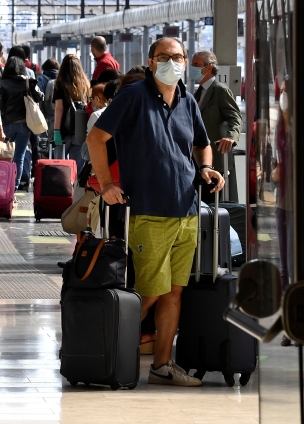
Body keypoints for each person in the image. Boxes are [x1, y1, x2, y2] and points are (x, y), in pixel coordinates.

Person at [86, 36, 224, 387]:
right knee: (149, 292)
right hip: (148, 212)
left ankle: (162, 365)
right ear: (150, 62)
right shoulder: (133, 97)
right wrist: (106, 185)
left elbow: (202, 143)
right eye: (165, 57)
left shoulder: (187, 100)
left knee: (174, 291)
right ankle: (104, 350)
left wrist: (205, 168)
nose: (173, 62)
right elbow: (96, 138)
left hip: (187, 210)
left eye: (178, 57)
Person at [191, 50, 243, 203]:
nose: (193, 69)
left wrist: (231, 137)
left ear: (209, 67)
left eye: (196, 65)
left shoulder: (219, 90)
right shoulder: (198, 93)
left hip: (216, 160)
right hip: (198, 161)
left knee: (215, 204)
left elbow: (235, 116)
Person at [0, 57, 44, 191]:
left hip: (6, 125)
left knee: (4, 156)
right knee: (19, 157)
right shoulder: (27, 82)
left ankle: (3, 184)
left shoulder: (2, 84)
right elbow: (41, 97)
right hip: (24, 125)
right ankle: (14, 188)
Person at [52, 54, 91, 170]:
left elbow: (59, 108)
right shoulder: (86, 84)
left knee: (59, 164)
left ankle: (62, 185)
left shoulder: (59, 84)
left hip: (64, 131)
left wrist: (56, 131)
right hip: (80, 130)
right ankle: (72, 185)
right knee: (76, 165)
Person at [80, 82, 111, 162]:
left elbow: (90, 140)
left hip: (98, 158)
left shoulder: (95, 115)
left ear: (97, 99)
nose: (91, 102)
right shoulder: (115, 112)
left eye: (91, 99)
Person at [37, 59, 60, 139]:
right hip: (58, 114)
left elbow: (39, 97)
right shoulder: (61, 79)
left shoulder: (41, 79)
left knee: (44, 139)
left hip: (46, 114)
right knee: (56, 139)